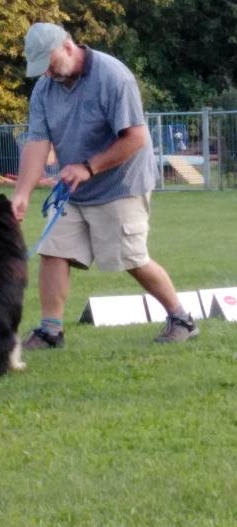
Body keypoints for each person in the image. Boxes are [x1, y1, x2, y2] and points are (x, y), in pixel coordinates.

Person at [12, 22, 199, 349]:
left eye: (50, 64)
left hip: (121, 184)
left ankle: (181, 317)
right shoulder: (45, 89)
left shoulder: (114, 76)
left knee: (132, 258)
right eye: (41, 69)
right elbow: (37, 142)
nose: (47, 74)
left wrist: (89, 167)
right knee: (53, 252)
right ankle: (50, 331)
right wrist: (22, 195)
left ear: (67, 46)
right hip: (74, 189)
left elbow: (136, 138)